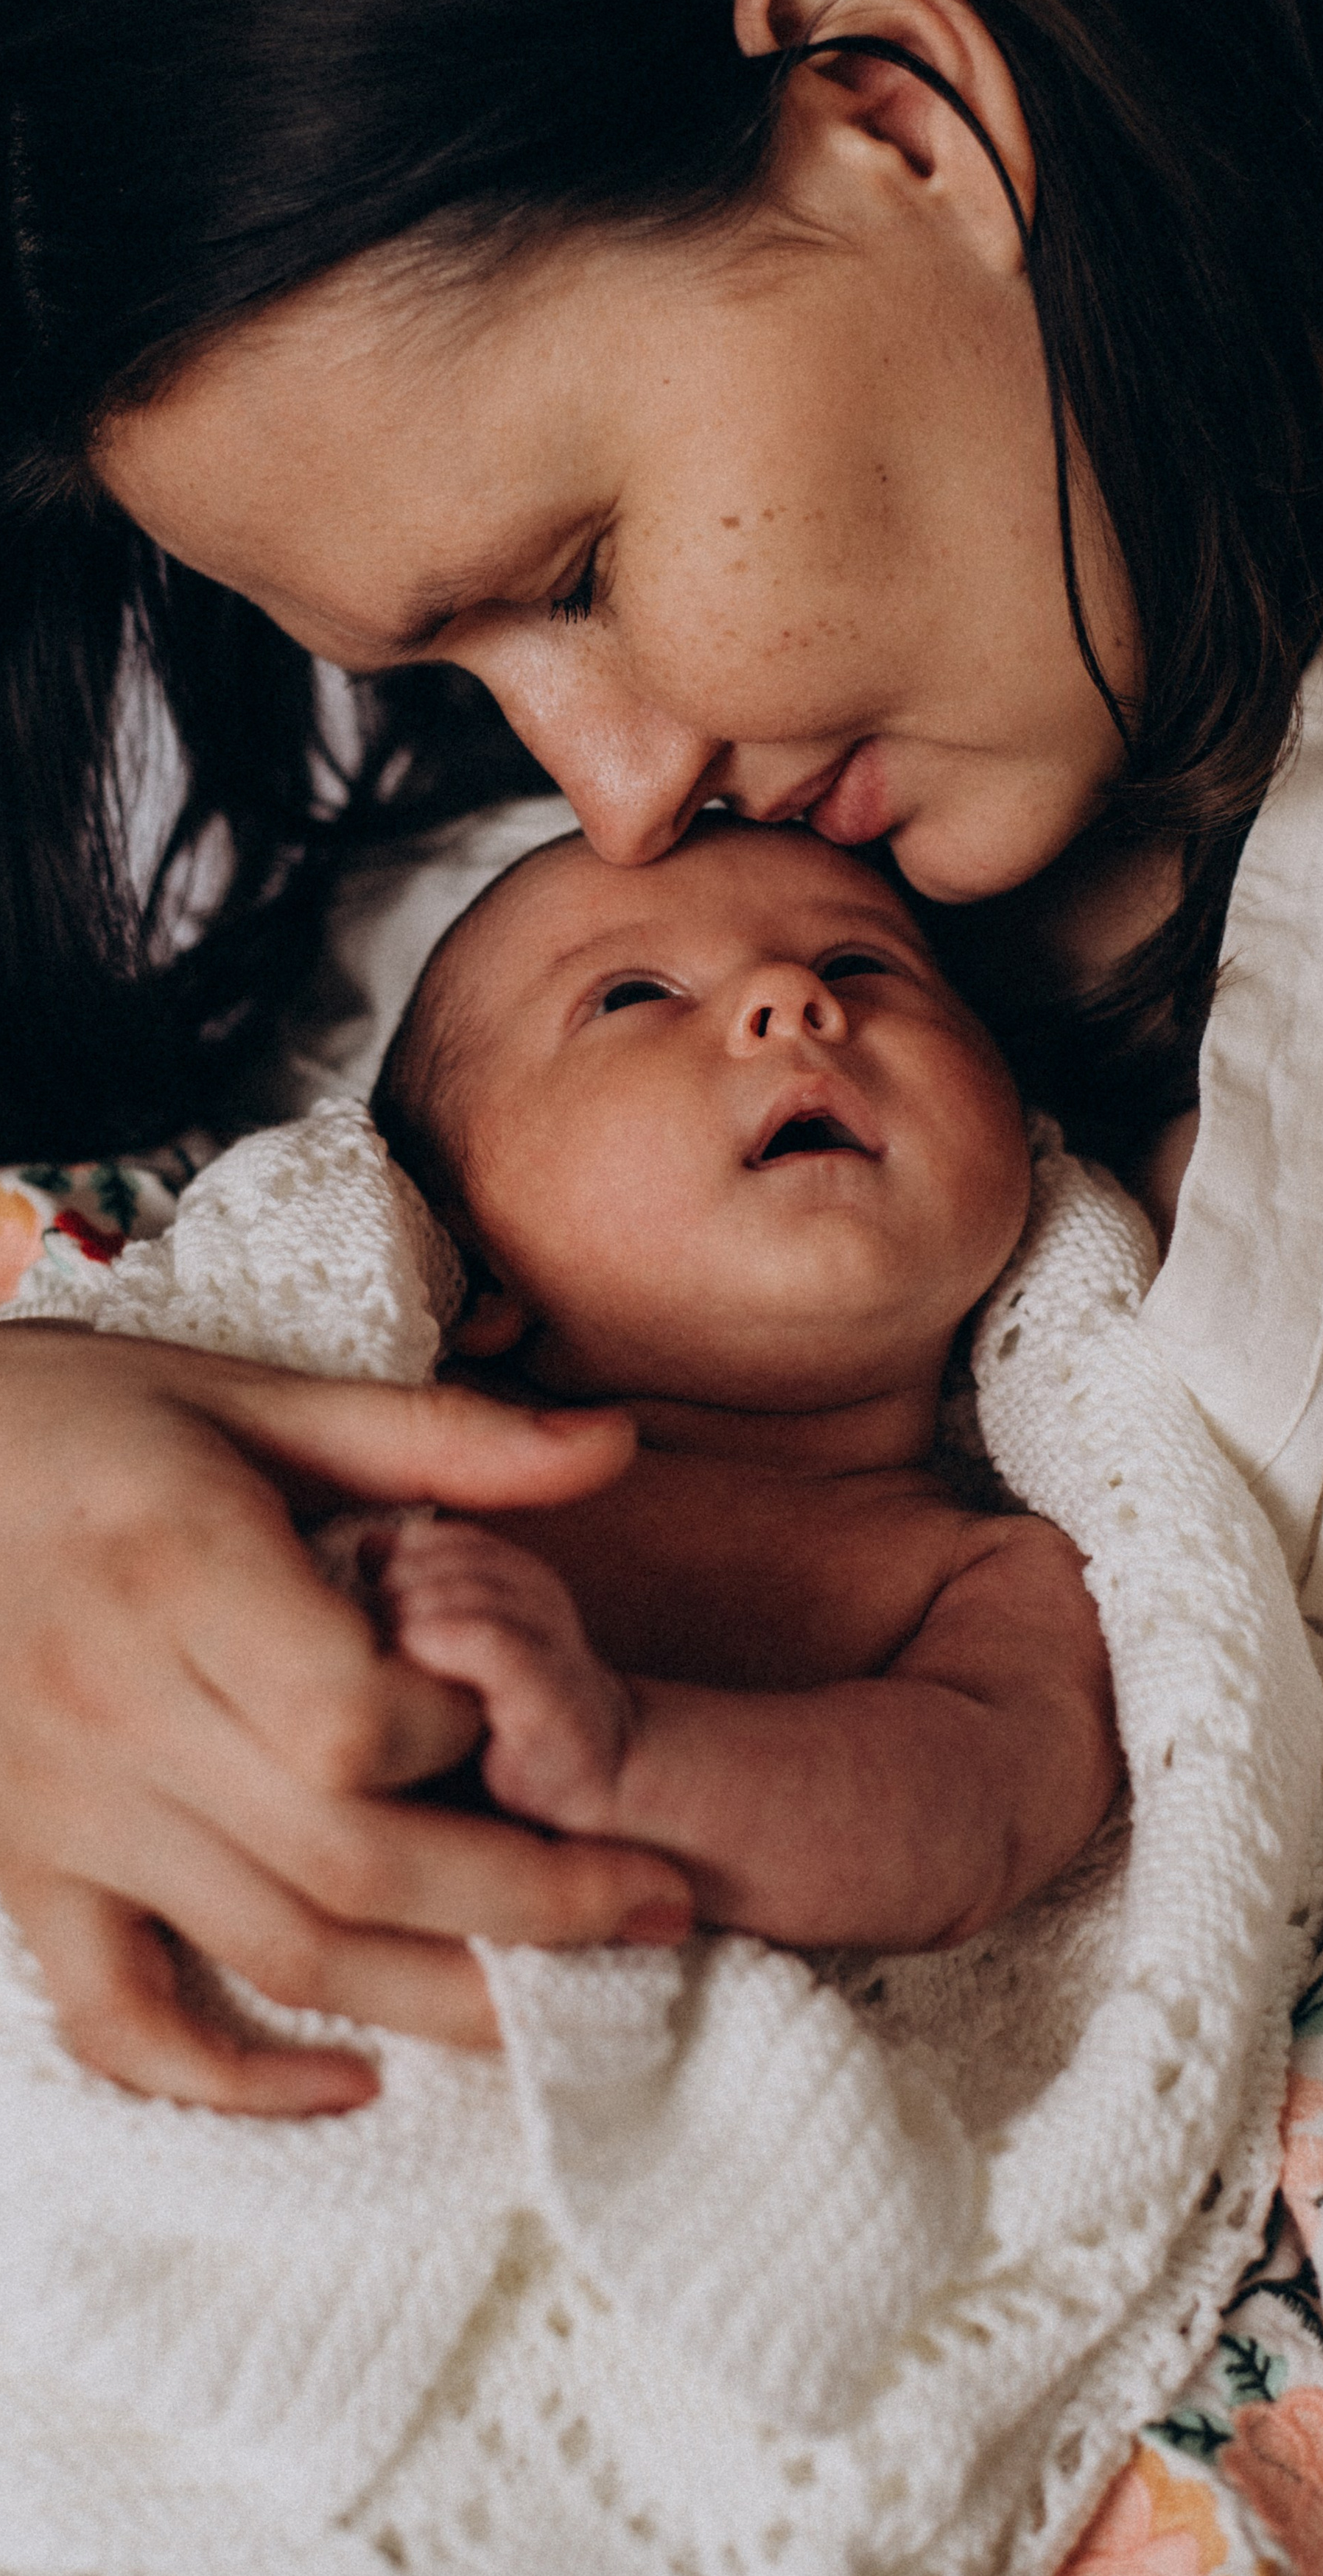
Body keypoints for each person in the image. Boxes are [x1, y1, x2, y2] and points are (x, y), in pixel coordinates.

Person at [0, 0, 1323, 2114]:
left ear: (897, 116)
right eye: (473, 678)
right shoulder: (882, 786)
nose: (621, 795)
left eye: (575, 570)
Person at [366, 816, 1116, 1954]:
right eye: (629, 996)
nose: (791, 998)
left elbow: (979, 1816)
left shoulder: (1001, 1578)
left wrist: (638, 1758)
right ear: (462, 1258)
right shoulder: (366, 1428)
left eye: (859, 965)